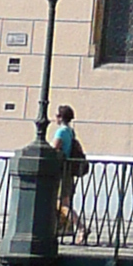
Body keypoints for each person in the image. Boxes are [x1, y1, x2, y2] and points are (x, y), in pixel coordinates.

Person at [51, 103, 88, 243]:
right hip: (67, 171)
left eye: (56, 115)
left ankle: (80, 227)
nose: (54, 117)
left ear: (60, 117)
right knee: (61, 202)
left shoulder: (61, 132)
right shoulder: (70, 131)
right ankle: (63, 229)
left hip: (62, 171)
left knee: (63, 204)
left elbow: (54, 148)